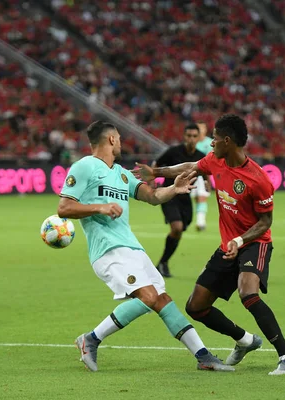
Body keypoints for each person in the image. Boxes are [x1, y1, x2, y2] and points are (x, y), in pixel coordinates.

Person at [57, 121, 233, 372]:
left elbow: (152, 197)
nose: (120, 142)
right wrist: (100, 207)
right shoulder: (84, 166)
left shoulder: (121, 173)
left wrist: (174, 188)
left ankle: (203, 356)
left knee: (162, 299)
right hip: (107, 249)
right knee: (148, 297)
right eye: (118, 138)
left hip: (132, 248)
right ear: (110, 140)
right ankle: (91, 339)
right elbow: (64, 207)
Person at [133, 114, 285, 375]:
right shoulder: (216, 160)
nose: (210, 143)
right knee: (196, 306)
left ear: (227, 140)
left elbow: (265, 222)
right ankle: (245, 340)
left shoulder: (258, 179)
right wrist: (155, 172)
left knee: (248, 293)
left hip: (253, 243)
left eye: (214, 138)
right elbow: (190, 167)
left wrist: (239, 239)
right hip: (228, 246)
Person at [153, 123, 206, 278]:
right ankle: (163, 263)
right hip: (169, 195)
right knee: (177, 227)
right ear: (184, 136)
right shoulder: (173, 152)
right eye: (188, 135)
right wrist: (152, 180)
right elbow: (156, 164)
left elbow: (205, 171)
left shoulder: (201, 155)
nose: (191, 139)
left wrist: (208, 182)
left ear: (198, 138)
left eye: (194, 136)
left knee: (179, 231)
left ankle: (162, 263)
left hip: (185, 198)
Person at [193, 121, 213, 231]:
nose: (200, 131)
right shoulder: (192, 142)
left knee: (202, 197)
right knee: (196, 198)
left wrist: (208, 179)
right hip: (190, 174)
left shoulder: (209, 143)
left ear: (205, 130)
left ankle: (201, 222)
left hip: (202, 174)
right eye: (198, 128)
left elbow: (210, 162)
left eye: (202, 128)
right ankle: (198, 219)